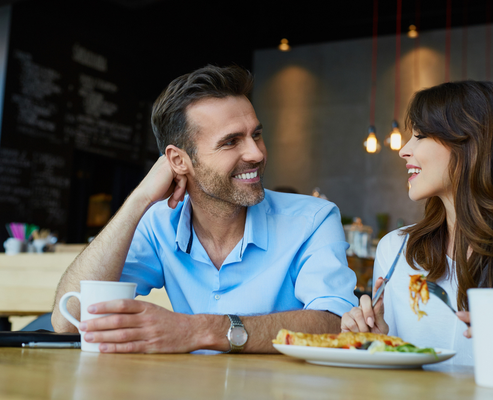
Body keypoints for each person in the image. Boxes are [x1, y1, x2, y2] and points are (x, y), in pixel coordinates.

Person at [51, 65, 357, 353]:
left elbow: (335, 323)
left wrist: (197, 330)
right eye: (231, 142)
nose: (256, 153)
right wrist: (139, 199)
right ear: (179, 161)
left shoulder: (314, 219)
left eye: (256, 135)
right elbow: (69, 320)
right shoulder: (158, 224)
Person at [341, 81, 493, 375]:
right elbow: (392, 375)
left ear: (473, 145)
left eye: (420, 136)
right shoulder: (396, 249)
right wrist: (373, 342)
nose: (404, 151)